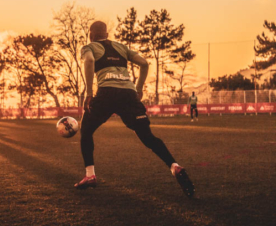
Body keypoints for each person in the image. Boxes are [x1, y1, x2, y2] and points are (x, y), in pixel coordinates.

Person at [75, 21, 195, 198]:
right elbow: (144, 64)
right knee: (147, 137)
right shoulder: (121, 47)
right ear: (106, 34)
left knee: (85, 130)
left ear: (91, 34)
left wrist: (90, 92)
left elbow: (90, 61)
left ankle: (90, 175)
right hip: (129, 94)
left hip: (106, 93)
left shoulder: (88, 47)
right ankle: (174, 166)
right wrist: (138, 89)